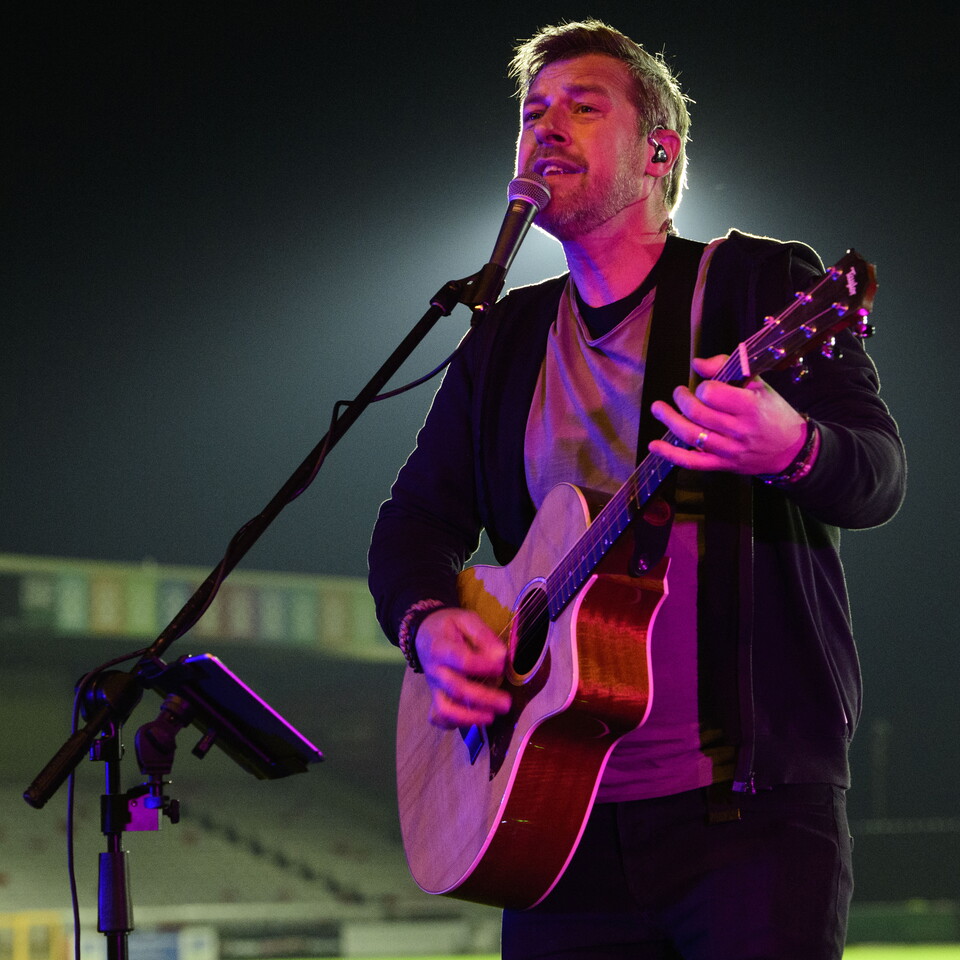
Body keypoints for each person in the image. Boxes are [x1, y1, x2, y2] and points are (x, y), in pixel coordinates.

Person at [368, 18, 905, 960]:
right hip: (549, 821)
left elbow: (877, 475)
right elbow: (412, 521)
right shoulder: (502, 339)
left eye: (583, 106)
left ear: (660, 152)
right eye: (533, 113)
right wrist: (427, 622)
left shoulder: (758, 284)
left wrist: (792, 447)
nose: (546, 128)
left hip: (748, 817)